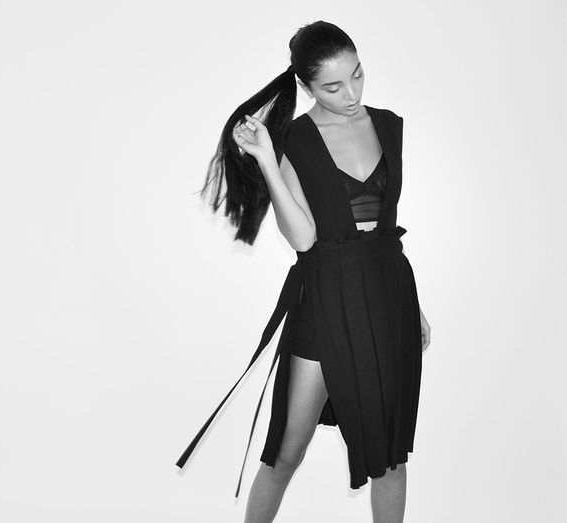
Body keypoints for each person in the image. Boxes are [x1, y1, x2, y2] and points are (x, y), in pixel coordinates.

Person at [175, 20, 431, 523]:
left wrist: (414, 307)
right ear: (307, 86)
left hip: (388, 298)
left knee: (390, 455)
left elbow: (387, 231)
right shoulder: (295, 139)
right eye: (333, 87)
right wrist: (268, 162)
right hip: (325, 297)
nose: (352, 94)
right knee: (287, 451)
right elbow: (303, 239)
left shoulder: (388, 125)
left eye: (357, 75)